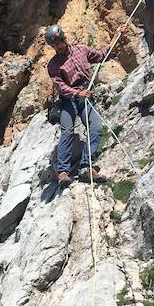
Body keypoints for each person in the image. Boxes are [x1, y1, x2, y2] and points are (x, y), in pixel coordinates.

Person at [45, 24, 124, 187]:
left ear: (64, 39)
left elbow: (103, 54)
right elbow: (60, 86)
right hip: (68, 100)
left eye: (58, 43)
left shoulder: (81, 50)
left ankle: (86, 168)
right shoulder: (53, 65)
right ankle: (63, 172)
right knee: (67, 131)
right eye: (53, 46)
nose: (57, 48)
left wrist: (117, 35)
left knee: (95, 127)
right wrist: (76, 93)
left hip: (85, 97)